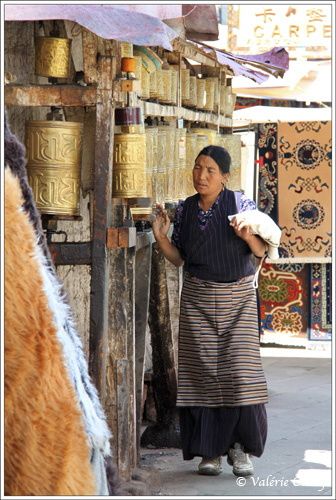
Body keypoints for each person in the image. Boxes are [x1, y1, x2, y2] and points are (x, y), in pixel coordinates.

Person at [152, 145, 268, 477]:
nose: (201, 175)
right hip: (198, 300)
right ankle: (210, 452)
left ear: (225, 177)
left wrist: (248, 238)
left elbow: (260, 252)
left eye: (210, 170)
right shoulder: (186, 210)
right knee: (201, 375)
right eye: (197, 168)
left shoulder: (240, 205)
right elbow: (180, 259)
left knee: (239, 375)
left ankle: (240, 449)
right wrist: (161, 239)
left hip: (238, 300)